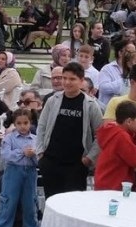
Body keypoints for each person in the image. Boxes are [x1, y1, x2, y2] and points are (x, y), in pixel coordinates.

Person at [36, 62, 102, 197]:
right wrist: (41, 152)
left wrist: (89, 158)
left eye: (72, 79)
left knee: (72, 203)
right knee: (51, 201)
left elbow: (100, 134)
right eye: (64, 78)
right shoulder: (52, 100)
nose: (67, 82)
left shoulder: (90, 105)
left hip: (76, 165)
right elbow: (42, 127)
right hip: (51, 161)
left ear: (81, 81)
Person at [0, 108, 42, 227]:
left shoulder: (35, 139)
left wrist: (34, 155)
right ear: (14, 123)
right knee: (8, 200)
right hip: (13, 172)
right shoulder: (9, 139)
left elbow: (40, 158)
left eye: (25, 123)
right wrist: (22, 152)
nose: (22, 126)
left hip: (30, 172)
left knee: (30, 201)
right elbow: (6, 155)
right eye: (19, 123)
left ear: (30, 122)